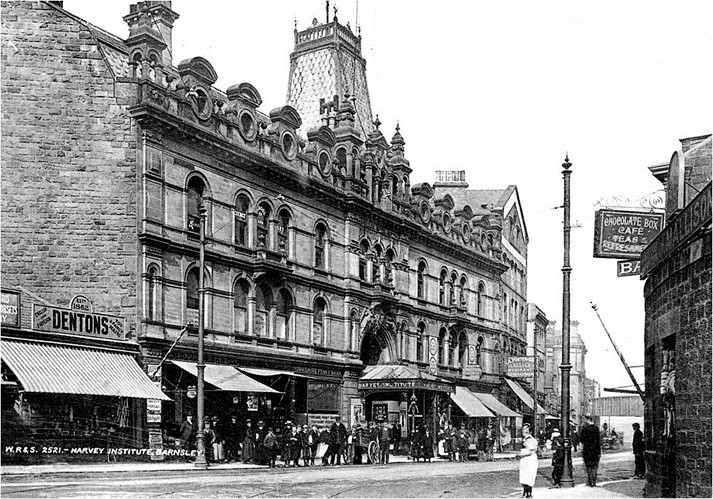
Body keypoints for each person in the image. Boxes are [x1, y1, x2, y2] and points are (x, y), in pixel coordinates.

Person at [579, 414, 601, 487]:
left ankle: (590, 482)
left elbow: (582, 440)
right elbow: (598, 441)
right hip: (595, 450)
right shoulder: (596, 428)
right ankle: (594, 482)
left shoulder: (585, 428)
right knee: (595, 466)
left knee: (588, 466)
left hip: (587, 450)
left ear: (587, 419)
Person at [518, 423, 538, 498]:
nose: (523, 431)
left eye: (525, 429)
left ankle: (528, 493)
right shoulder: (525, 439)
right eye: (523, 429)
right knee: (524, 476)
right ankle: (526, 492)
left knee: (528, 475)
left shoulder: (530, 440)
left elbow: (532, 451)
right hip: (525, 459)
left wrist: (522, 453)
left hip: (529, 459)